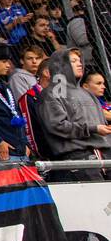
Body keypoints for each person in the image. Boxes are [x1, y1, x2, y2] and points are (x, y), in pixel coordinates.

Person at [36, 47, 111, 178]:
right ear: (60, 65)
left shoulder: (87, 93)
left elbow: (101, 124)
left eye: (79, 60)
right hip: (77, 158)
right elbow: (57, 126)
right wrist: (94, 129)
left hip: (104, 155)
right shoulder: (51, 93)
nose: (80, 63)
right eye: (73, 61)